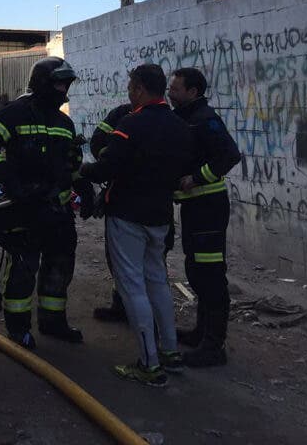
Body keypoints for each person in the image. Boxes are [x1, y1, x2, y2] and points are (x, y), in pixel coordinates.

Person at [79, 63, 194, 387]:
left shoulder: (131, 124)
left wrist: (83, 171)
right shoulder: (180, 127)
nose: (129, 92)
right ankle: (169, 352)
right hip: (160, 216)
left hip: (128, 215)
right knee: (157, 281)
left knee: (132, 286)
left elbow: (107, 168)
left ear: (140, 89)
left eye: (131, 87)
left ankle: (149, 364)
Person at [0, 57, 89, 349]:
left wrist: (83, 186)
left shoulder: (65, 122)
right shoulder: (13, 113)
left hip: (58, 211)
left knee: (60, 267)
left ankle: (53, 322)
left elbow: (71, 162)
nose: (64, 90)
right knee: (24, 269)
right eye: (59, 83)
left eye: (67, 84)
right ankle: (18, 328)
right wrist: (13, 182)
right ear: (41, 83)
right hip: (24, 209)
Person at [167, 67, 241, 367]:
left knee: (209, 275)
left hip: (208, 208)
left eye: (175, 88)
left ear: (192, 92)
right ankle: (201, 333)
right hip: (195, 209)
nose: (170, 93)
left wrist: (197, 178)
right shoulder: (187, 118)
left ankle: (214, 346)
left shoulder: (204, 119)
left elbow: (230, 155)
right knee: (196, 270)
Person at [89, 102, 133, 323]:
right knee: (117, 256)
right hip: (121, 197)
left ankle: (142, 313)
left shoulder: (160, 120)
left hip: (140, 203)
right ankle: (122, 304)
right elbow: (97, 140)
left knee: (147, 262)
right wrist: (112, 161)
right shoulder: (121, 113)